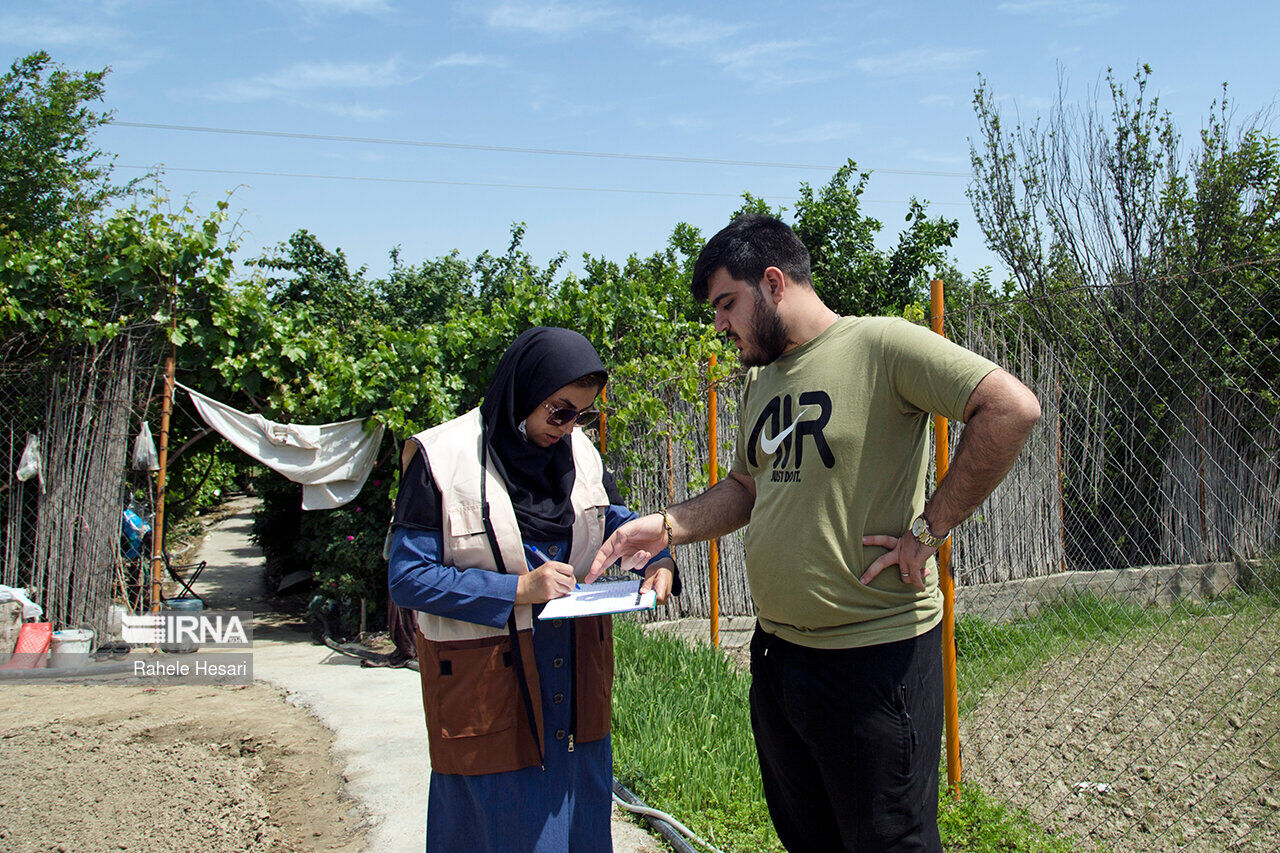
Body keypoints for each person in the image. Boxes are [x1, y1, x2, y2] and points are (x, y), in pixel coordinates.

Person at [589, 214, 1041, 852]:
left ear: (773, 283)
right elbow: (747, 489)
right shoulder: (763, 379)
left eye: (727, 304)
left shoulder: (881, 347)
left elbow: (1011, 407)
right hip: (778, 661)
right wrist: (664, 525)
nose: (720, 325)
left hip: (874, 661)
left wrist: (929, 529)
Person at [388, 327, 677, 852]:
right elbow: (408, 577)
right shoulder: (442, 457)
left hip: (573, 671)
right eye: (558, 412)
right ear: (523, 391)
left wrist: (658, 559)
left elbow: (616, 518)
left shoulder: (578, 453)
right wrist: (517, 589)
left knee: (578, 819)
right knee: (497, 821)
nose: (567, 428)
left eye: (582, 415)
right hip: (488, 683)